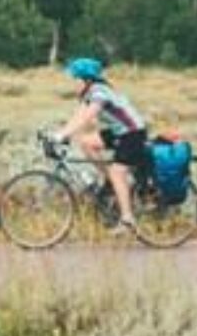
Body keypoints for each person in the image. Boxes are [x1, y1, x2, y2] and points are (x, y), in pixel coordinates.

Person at [56, 56, 151, 234]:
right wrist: (61, 133)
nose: (72, 83)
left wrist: (63, 135)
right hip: (120, 132)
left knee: (117, 171)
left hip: (132, 134)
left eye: (74, 78)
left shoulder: (99, 92)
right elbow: (77, 117)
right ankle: (111, 183)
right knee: (86, 142)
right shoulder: (89, 93)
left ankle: (127, 220)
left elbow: (87, 117)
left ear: (86, 79)